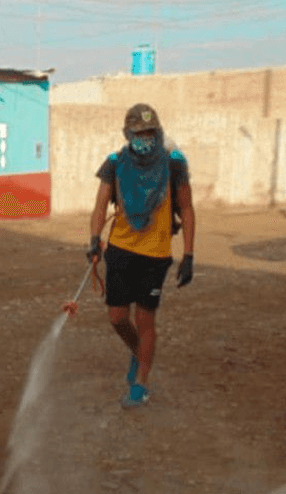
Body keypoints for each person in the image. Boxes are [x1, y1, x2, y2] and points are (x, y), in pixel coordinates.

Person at [86, 103, 196, 409]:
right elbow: (99, 205)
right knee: (117, 317)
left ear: (158, 131)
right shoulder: (115, 163)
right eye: (138, 132)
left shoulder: (174, 164)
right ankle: (139, 353)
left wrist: (188, 254)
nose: (144, 137)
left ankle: (140, 383)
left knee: (145, 320)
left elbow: (186, 208)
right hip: (120, 249)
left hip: (155, 254)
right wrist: (95, 240)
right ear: (127, 133)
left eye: (150, 132)